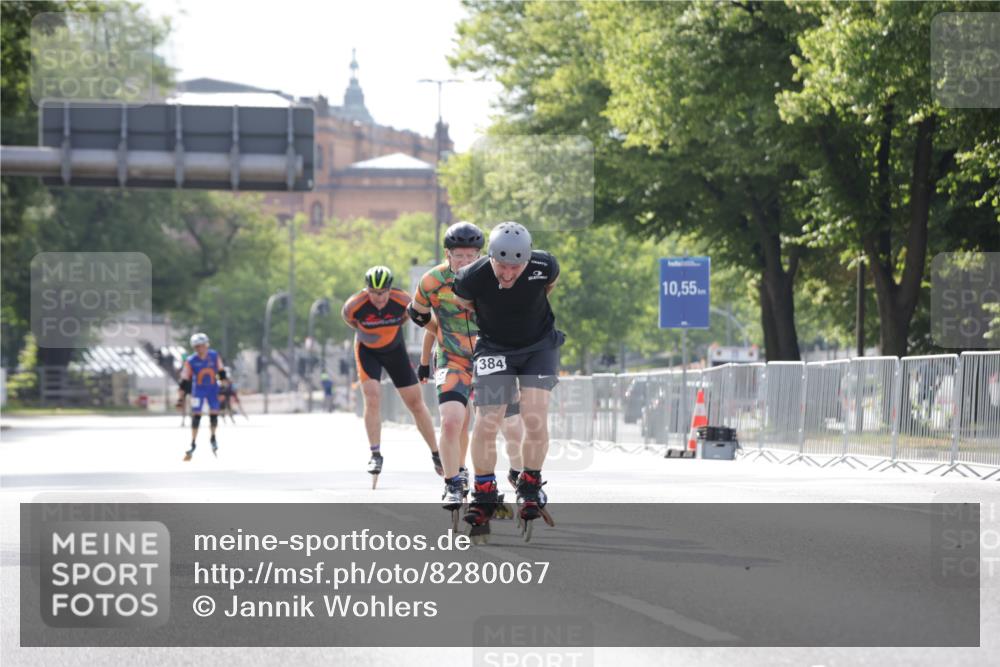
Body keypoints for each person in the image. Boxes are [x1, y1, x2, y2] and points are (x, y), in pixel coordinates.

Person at [452, 222, 563, 535]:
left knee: (535, 417)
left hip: (538, 346)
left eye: (516, 267)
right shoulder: (471, 277)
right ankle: (483, 491)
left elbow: (548, 287)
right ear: (490, 257)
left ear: (527, 260)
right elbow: (466, 304)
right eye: (501, 266)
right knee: (488, 420)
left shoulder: (545, 265)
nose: (508, 274)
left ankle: (530, 483)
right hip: (494, 347)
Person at [408, 222, 525, 511]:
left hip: (493, 357)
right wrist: (432, 350)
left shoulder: (497, 275)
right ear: (447, 254)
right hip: (454, 359)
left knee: (509, 424)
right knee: (451, 421)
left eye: (471, 255)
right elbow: (419, 316)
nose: (465, 262)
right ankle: (453, 481)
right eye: (458, 255)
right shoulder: (432, 281)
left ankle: (518, 473)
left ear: (481, 254)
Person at [341, 265, 441, 484]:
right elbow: (351, 322)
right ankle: (375, 454)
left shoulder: (403, 301)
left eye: (383, 293)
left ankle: (436, 453)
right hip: (367, 351)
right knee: (373, 397)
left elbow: (411, 317)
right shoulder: (354, 306)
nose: (379, 298)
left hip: (395, 351)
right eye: (374, 293)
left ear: (389, 289)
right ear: (366, 290)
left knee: (416, 403)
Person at [177, 332, 227, 461]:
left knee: (214, 414)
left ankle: (213, 437)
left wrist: (222, 389)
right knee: (196, 416)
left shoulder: (214, 356)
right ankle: (193, 442)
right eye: (197, 347)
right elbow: (184, 379)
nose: (200, 349)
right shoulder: (191, 360)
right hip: (198, 390)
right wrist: (180, 398)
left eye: (202, 346)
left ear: (206, 345)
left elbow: (221, 372)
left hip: (212, 388)